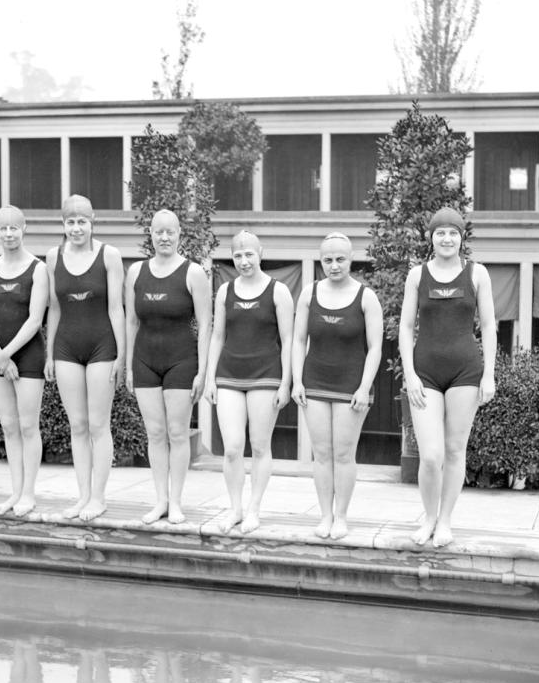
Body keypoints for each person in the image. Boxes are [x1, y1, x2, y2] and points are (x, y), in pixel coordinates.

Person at [400, 206, 496, 547]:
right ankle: (428, 517)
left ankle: (445, 521)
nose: (447, 238)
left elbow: (488, 326)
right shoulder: (417, 275)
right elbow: (406, 327)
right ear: (431, 238)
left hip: (465, 372)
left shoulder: (477, 274)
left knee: (455, 450)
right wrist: (410, 375)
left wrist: (489, 375)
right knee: (430, 455)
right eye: (440, 232)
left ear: (461, 237)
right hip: (425, 372)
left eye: (453, 232)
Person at [291, 233, 383, 540]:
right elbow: (298, 339)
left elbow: (375, 348)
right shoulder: (309, 293)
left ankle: (341, 516)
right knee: (322, 453)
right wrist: (297, 379)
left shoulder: (366, 297)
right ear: (321, 261)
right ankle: (325, 515)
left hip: (351, 386)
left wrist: (364, 387)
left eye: (340, 259)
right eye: (328, 260)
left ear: (351, 259)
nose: (334, 265)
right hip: (315, 382)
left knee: (344, 454)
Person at [204, 230, 294, 534]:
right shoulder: (224, 291)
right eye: (238, 255)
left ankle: (254, 508)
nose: (244, 261)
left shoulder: (278, 291)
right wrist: (209, 379)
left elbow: (288, 339)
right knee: (231, 448)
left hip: (266, 375)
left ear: (260, 253)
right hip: (228, 373)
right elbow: (217, 336)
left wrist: (286, 383)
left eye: (249, 254)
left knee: (258, 445)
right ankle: (236, 509)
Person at [125, 209, 211, 525]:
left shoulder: (193, 273)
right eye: (158, 232)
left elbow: (205, 325)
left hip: (182, 361)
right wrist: (129, 366)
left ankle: (176, 502)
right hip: (145, 360)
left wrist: (203, 370)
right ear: (151, 234)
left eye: (170, 232)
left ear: (178, 234)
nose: (164, 237)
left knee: (176, 432)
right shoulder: (135, 272)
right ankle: (160, 499)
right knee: (155, 432)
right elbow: (131, 321)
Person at [45, 195, 125, 522]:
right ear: (63, 225)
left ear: (93, 221)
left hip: (102, 345)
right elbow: (54, 308)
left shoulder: (110, 256)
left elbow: (116, 308)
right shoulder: (53, 257)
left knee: (96, 424)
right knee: (77, 425)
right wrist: (50, 353)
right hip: (66, 345)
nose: (76, 228)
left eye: (82, 222)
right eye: (70, 222)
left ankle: (99, 496)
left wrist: (121, 354)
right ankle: (82, 496)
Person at [0, 205, 48, 518]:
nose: (8, 234)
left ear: (23, 229)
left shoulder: (38, 269)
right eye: (3, 228)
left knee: (28, 425)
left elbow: (35, 320)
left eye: (14, 228)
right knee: (8, 426)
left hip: (27, 354)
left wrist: (7, 354)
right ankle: (15, 491)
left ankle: (29, 493)